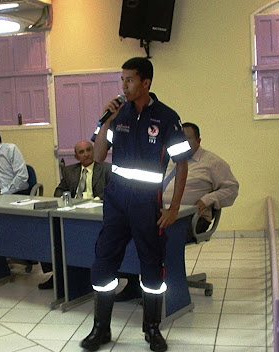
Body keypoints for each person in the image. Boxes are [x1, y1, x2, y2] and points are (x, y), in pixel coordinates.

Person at [80, 57, 191, 352]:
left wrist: (174, 208)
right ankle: (100, 328)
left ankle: (152, 329)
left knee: (152, 267)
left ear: (146, 83)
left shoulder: (167, 118)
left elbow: (182, 165)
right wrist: (106, 121)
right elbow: (100, 155)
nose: (124, 86)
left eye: (129, 80)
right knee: (104, 262)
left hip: (147, 202)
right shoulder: (119, 114)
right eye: (122, 80)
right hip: (116, 201)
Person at [114, 122, 240, 303]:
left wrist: (207, 200)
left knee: (152, 237)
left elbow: (231, 188)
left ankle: (162, 288)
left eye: (187, 138)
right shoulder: (167, 160)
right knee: (124, 231)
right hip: (157, 214)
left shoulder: (212, 162)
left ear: (198, 140)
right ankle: (133, 284)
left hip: (191, 219)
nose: (182, 143)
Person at [38, 140, 111, 290]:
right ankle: (58, 274)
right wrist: (66, 199)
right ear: (76, 156)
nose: (86, 154)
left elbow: (111, 190)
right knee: (51, 233)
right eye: (82, 152)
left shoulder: (106, 169)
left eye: (89, 150)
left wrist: (96, 199)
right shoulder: (69, 171)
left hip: (96, 215)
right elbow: (59, 190)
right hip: (73, 212)